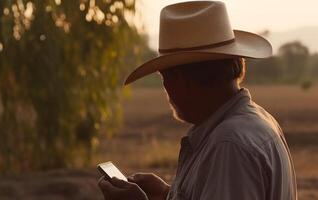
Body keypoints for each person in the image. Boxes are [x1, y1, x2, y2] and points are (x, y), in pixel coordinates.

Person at [98, 1, 297, 200]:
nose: (166, 88)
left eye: (164, 77)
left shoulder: (228, 145)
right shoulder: (257, 122)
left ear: (177, 80)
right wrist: (168, 194)